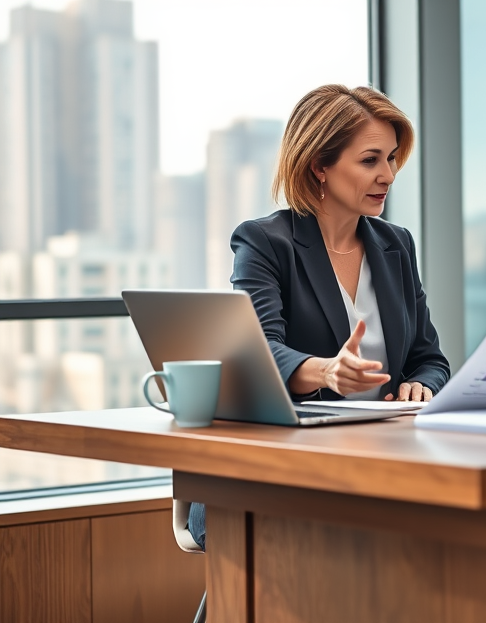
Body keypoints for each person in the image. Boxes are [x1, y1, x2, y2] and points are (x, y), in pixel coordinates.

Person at [188, 84, 450, 549]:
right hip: (279, 465)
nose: (388, 175)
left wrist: (421, 384)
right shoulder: (265, 242)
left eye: (391, 159)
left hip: (380, 460)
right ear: (319, 166)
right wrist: (327, 371)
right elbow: (258, 353)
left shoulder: (396, 244)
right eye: (370, 160)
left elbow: (430, 357)